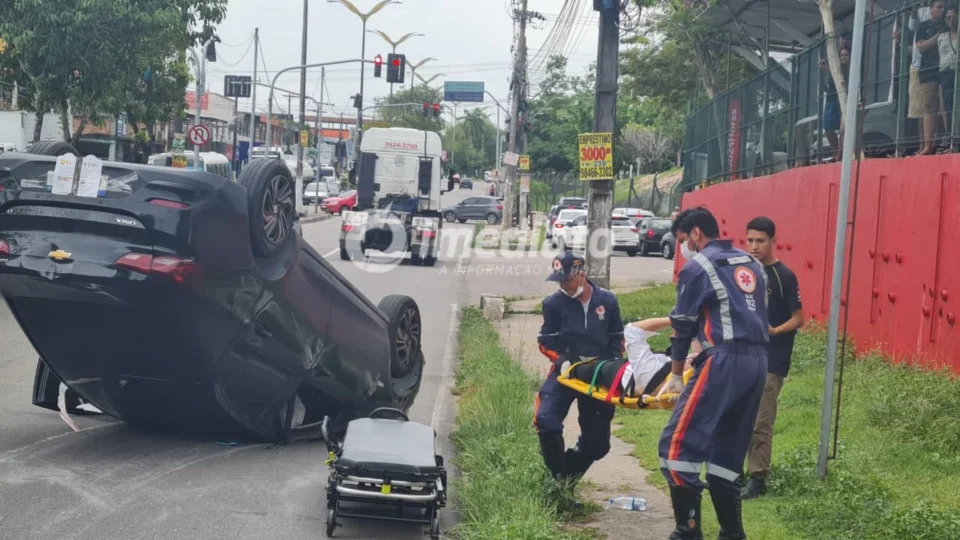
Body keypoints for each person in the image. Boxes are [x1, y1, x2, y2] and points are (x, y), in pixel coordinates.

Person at [655, 206, 769, 540]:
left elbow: (682, 325)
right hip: (758, 362)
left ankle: (688, 531)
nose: (682, 248)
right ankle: (733, 534)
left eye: (681, 240)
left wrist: (676, 374)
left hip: (724, 360)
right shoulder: (751, 263)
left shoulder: (699, 266)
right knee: (726, 453)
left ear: (695, 234)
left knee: (675, 448)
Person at [535, 251, 624, 485]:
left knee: (598, 444)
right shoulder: (553, 304)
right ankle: (557, 476)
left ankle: (566, 478)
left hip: (598, 373)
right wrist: (561, 361)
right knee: (546, 420)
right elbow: (545, 341)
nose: (563, 284)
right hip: (566, 372)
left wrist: (614, 363)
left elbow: (617, 338)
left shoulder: (608, 301)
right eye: (559, 280)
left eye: (567, 279)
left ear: (581, 273)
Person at [741, 217, 804, 500]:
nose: (754, 246)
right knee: (738, 416)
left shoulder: (784, 276)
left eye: (760, 241)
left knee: (760, 420)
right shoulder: (744, 273)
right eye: (750, 240)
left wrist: (774, 331)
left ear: (772, 241)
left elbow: (800, 318)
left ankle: (758, 478)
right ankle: (731, 472)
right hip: (744, 358)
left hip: (773, 360)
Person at [569, 317, 701, 398]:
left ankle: (569, 367)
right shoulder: (692, 372)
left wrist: (676, 320)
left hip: (619, 374)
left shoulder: (651, 371)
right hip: (640, 367)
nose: (692, 357)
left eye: (691, 361)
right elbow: (698, 352)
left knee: (581, 369)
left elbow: (632, 330)